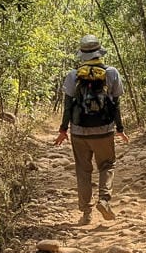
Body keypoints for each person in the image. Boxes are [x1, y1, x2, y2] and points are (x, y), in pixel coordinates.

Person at [55, 35, 128, 224]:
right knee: (107, 165)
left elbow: (68, 105)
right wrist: (120, 128)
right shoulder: (111, 73)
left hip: (79, 131)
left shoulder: (73, 75)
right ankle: (104, 200)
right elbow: (116, 103)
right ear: (99, 52)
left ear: (82, 54)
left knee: (83, 170)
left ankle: (86, 213)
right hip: (104, 130)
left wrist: (63, 130)